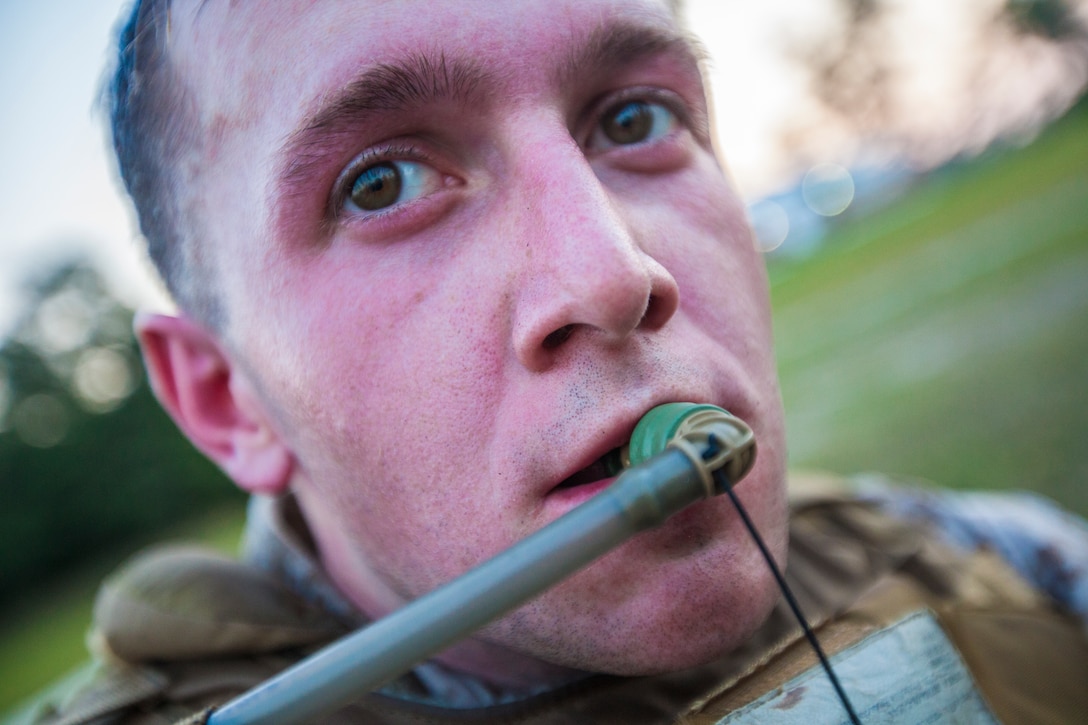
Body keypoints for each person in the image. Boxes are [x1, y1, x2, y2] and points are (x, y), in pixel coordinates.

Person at [14, 0, 1088, 723]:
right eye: (381, 182)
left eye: (635, 117)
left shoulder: (990, 555)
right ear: (226, 399)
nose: (612, 276)